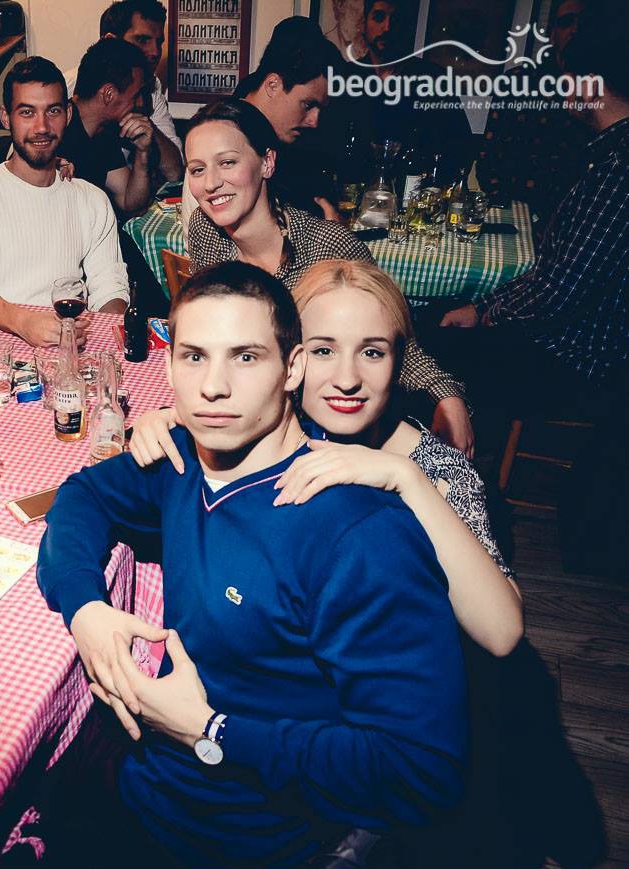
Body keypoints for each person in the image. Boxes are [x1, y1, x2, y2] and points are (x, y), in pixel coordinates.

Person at [36, 260, 467, 865]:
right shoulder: (183, 459)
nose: (213, 387)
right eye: (194, 357)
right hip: (145, 787)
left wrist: (211, 731)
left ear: (293, 368)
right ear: (168, 364)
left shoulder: (361, 536)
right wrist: (85, 609)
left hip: (244, 839)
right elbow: (81, 497)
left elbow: (424, 773)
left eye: (245, 357)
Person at [129, 259, 523, 657]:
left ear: (398, 362)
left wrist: (405, 477)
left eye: (372, 352)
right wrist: (165, 421)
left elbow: (502, 633)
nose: (347, 379)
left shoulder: (438, 468)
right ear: (291, 360)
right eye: (323, 350)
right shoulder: (276, 427)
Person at [431, 0, 628, 574]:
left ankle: (459, 505)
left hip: (580, 360)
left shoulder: (617, 167)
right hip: (578, 341)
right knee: (445, 320)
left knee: (432, 348)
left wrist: (485, 312)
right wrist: (487, 307)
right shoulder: (607, 156)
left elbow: (560, 291)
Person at [183, 99, 476, 455]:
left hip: (331, 431)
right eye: (197, 169)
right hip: (249, 418)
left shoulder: (327, 245)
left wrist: (446, 396)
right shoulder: (205, 230)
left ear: (267, 163)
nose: (211, 183)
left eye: (227, 162)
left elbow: (395, 341)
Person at [0, 57, 129, 348]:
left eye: (52, 111)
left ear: (68, 115)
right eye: (27, 112)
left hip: (70, 348)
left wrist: (107, 345)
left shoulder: (92, 200)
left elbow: (110, 289)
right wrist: (26, 323)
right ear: (6, 118)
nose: (42, 127)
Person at [475, 0, 591, 242]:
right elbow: (488, 158)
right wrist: (512, 214)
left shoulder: (602, 93)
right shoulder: (517, 83)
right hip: (513, 217)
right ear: (551, 34)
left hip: (573, 224)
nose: (576, 30)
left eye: (584, 22)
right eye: (566, 22)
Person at [339, 0, 474, 175]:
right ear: (364, 23)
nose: (387, 28)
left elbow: (461, 148)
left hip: (414, 188)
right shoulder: (346, 77)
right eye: (379, 17)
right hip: (355, 187)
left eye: (396, 19)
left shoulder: (433, 79)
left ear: (406, 25)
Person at [232, 16, 346, 219]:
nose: (314, 121)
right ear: (272, 85)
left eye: (320, 109)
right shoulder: (226, 137)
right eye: (308, 105)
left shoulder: (284, 137)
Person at [64, 0, 184, 182]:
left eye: (159, 42)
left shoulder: (152, 86)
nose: (155, 52)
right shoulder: (66, 86)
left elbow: (174, 171)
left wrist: (145, 127)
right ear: (110, 41)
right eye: (142, 40)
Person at [61, 38, 156, 214]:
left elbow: (130, 202)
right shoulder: (55, 128)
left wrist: (142, 152)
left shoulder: (102, 132)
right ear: (109, 94)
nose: (140, 103)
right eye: (135, 95)